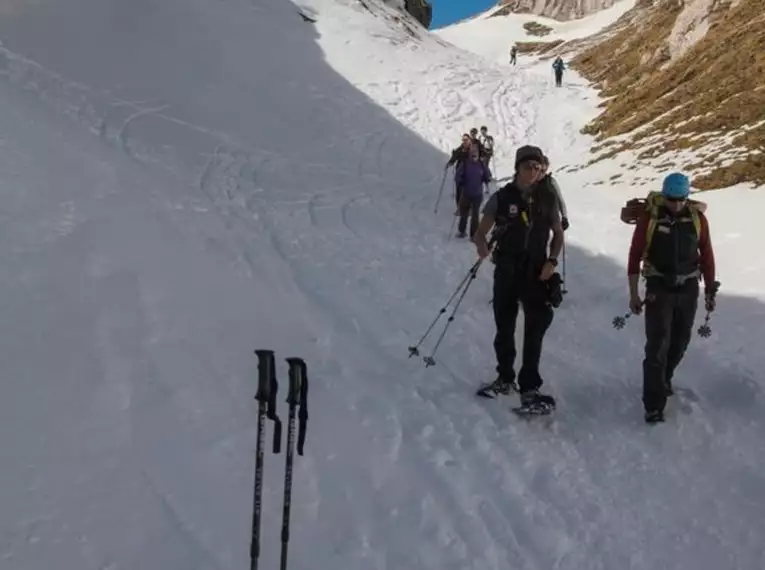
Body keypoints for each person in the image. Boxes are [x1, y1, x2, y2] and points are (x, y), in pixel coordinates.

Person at [474, 145, 565, 411]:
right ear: (518, 168)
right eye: (528, 167)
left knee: (535, 328)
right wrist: (481, 246)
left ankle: (530, 387)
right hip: (506, 268)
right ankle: (504, 378)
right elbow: (480, 232)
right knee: (504, 325)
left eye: (538, 167)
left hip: (537, 271)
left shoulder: (548, 199)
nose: (534, 171)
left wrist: (552, 261)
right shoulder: (502, 197)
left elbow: (558, 234)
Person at [627, 172, 717, 424]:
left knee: (680, 340)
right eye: (671, 199)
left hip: (688, 287)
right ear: (664, 195)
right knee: (657, 344)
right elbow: (635, 255)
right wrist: (634, 292)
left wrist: (710, 289)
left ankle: (664, 377)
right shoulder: (650, 218)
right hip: (659, 286)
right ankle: (653, 404)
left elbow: (707, 255)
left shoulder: (697, 219)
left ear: (687, 197)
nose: (675, 204)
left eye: (680, 199)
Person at [454, 147, 492, 238]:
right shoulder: (465, 164)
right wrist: (460, 182)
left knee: (475, 215)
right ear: (470, 154)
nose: (474, 156)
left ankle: (474, 234)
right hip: (466, 192)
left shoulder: (481, 165)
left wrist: (487, 178)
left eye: (475, 154)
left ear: (478, 155)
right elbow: (457, 176)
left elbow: (488, 175)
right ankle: (462, 231)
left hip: (477, 194)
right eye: (472, 154)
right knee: (464, 213)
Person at [445, 134, 474, 211]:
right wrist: (449, 163)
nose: (465, 142)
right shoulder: (459, 150)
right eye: (463, 140)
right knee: (460, 191)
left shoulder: (473, 149)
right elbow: (454, 158)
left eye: (466, 140)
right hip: (460, 173)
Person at [540, 155, 569, 230]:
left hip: (552, 221)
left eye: (544, 170)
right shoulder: (530, 183)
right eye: (540, 170)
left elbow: (560, 200)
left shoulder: (551, 182)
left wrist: (564, 217)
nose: (541, 173)